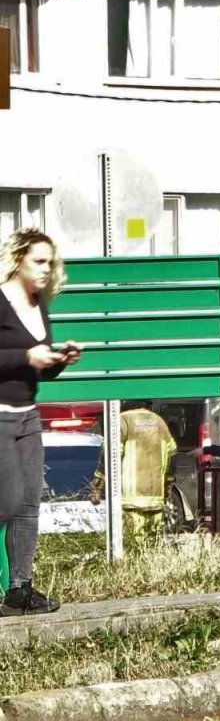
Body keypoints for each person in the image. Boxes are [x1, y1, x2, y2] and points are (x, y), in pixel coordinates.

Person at [0, 228, 81, 616]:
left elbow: (37, 370)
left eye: (51, 262)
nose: (47, 269)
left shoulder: (38, 304)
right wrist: (26, 357)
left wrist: (57, 361)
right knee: (7, 500)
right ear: (18, 260)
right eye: (39, 261)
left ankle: (19, 589)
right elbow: (14, 359)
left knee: (29, 503)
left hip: (27, 416)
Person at [90, 401, 178, 545]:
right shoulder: (159, 422)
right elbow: (173, 454)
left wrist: (97, 485)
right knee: (151, 547)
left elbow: (110, 455)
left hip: (130, 502)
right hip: (155, 501)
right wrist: (167, 486)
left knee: (132, 547)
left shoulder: (123, 420)